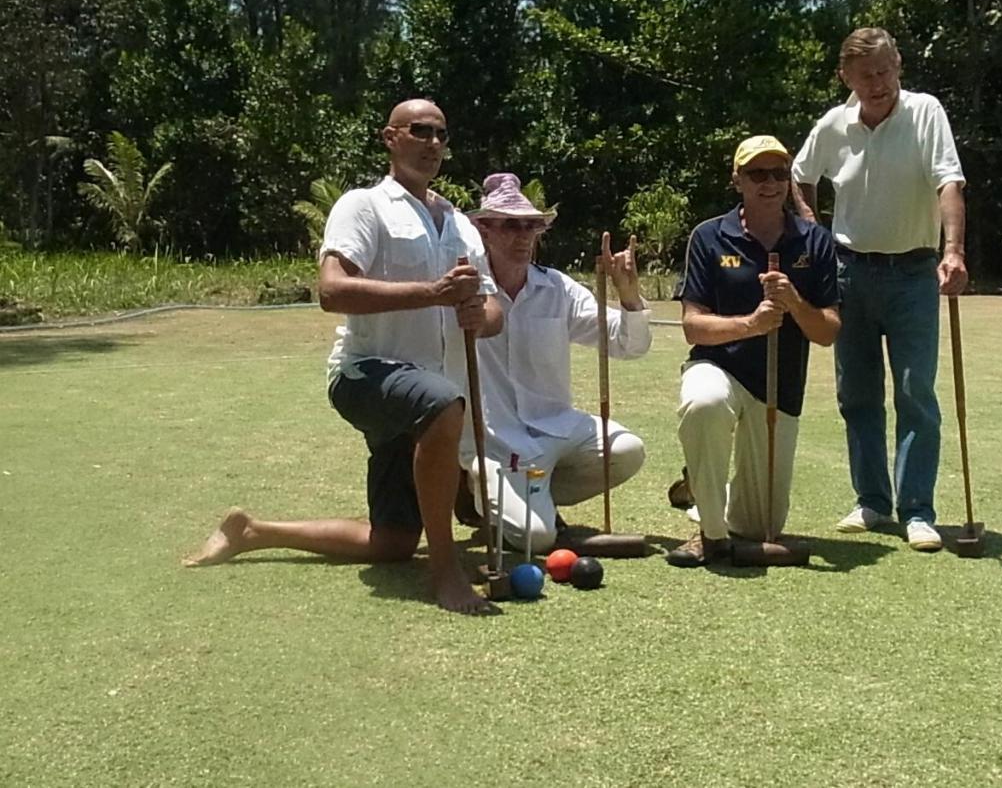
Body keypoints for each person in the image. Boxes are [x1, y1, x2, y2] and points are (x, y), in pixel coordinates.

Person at [184, 98, 504, 615]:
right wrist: (435, 293)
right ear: (390, 137)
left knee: (394, 542)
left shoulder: (462, 225)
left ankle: (251, 531)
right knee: (445, 403)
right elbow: (332, 290)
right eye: (420, 131)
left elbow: (491, 309)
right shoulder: (363, 205)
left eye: (442, 134)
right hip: (364, 376)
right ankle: (446, 573)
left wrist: (479, 315)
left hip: (423, 398)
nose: (433, 143)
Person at [791, 27, 968, 551]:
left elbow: (948, 183)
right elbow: (802, 176)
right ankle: (872, 501)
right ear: (846, 77)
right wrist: (813, 231)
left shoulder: (925, 111)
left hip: (914, 271)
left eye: (886, 71)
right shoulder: (833, 124)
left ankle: (917, 511)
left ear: (899, 66)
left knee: (916, 391)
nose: (879, 83)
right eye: (866, 75)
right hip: (848, 272)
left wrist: (953, 250)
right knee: (857, 394)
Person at [669, 136, 840, 567]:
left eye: (779, 173)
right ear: (737, 180)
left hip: (779, 387)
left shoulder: (815, 241)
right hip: (720, 367)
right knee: (704, 402)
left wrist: (794, 303)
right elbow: (693, 325)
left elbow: (827, 332)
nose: (769, 183)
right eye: (757, 174)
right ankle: (709, 535)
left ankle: (702, 487)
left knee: (761, 522)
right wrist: (753, 324)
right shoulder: (709, 236)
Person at [466, 172, 651, 554]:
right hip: (498, 442)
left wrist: (629, 297)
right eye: (510, 225)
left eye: (530, 226)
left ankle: (530, 503)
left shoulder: (559, 288)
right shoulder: (466, 291)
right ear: (484, 229)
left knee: (628, 450)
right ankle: (484, 498)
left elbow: (627, 345)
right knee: (538, 539)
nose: (522, 236)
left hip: (557, 428)